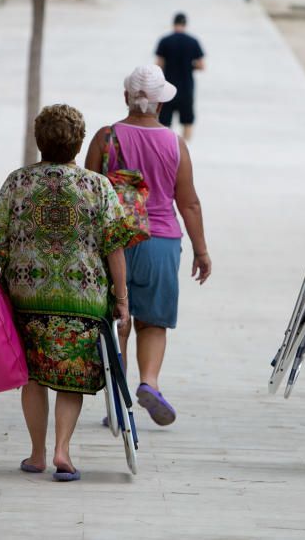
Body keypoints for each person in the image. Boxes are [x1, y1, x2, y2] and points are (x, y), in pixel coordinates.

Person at [0, 104, 131, 482]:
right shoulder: (98, 186)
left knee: (32, 375)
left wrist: (18, 271)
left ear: (39, 140)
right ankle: (63, 450)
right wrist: (123, 299)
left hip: (28, 297)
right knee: (70, 374)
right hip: (83, 299)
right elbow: (114, 245)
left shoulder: (17, 182)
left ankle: (36, 453)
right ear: (79, 143)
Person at [86, 64, 212, 427]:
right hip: (161, 241)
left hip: (114, 243)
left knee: (117, 321)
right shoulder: (175, 143)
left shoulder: (105, 137)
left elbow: (89, 192)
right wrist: (202, 251)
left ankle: (121, 401)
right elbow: (188, 203)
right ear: (160, 103)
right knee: (153, 322)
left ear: (126, 97)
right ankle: (150, 382)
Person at [156, 12, 205, 141]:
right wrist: (190, 66)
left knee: (164, 122)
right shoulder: (193, 42)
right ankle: (184, 149)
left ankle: (165, 147)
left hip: (167, 88)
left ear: (173, 23)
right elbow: (201, 66)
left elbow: (158, 65)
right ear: (185, 24)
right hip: (186, 87)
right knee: (187, 121)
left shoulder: (165, 41)